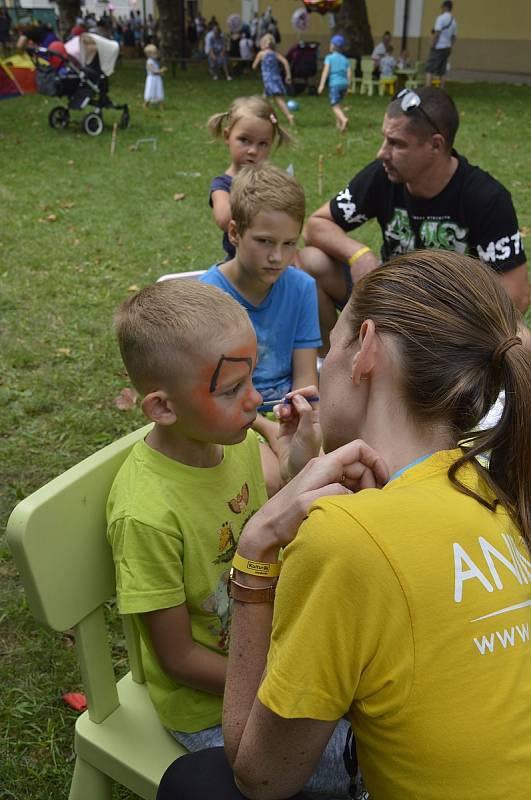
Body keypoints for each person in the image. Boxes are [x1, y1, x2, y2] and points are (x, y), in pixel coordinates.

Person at [157, 249, 531, 800]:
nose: (326, 365)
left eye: (333, 346)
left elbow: (260, 775)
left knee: (196, 784)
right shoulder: (497, 487)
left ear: (366, 351)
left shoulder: (344, 536)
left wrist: (256, 550)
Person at [107, 279, 351, 797]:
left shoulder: (230, 439)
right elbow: (177, 659)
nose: (256, 399)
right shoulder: (144, 516)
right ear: (163, 409)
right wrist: (277, 683)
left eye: (252, 380)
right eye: (230, 390)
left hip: (273, 647)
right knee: (360, 763)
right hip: (212, 708)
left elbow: (273, 510)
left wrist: (296, 463)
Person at [302, 87, 529, 353]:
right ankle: (332, 364)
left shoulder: (485, 197)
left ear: (436, 144)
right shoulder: (382, 177)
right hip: (388, 297)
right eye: (385, 140)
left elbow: (517, 294)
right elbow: (316, 225)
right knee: (310, 262)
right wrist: (359, 253)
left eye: (396, 144)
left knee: (521, 341)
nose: (381, 153)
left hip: (451, 318)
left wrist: (444, 320)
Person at [201, 163, 320, 409]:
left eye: (289, 243)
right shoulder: (209, 297)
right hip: (231, 419)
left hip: (288, 410)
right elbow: (210, 394)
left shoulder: (302, 288)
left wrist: (302, 420)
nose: (277, 256)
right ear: (234, 233)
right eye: (265, 241)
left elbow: (306, 376)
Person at [207, 96, 292, 261]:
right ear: (227, 137)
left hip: (275, 260)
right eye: (244, 140)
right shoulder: (223, 185)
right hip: (239, 266)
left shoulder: (273, 181)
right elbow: (224, 220)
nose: (253, 150)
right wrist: (254, 192)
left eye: (262, 144)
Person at [252, 33, 294, 127]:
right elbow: (285, 62)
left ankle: (288, 116)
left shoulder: (261, 54)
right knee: (264, 99)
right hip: (276, 78)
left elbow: (254, 66)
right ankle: (263, 117)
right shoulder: (275, 54)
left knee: (278, 99)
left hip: (268, 80)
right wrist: (288, 75)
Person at [317, 34, 351, 133]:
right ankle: (339, 124)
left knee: (334, 105)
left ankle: (344, 119)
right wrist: (348, 86)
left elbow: (325, 71)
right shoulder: (345, 59)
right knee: (339, 103)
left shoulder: (329, 58)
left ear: (333, 46)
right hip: (344, 84)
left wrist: (321, 85)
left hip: (335, 84)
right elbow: (349, 73)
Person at [425, 1, 457, 88]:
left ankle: (428, 89)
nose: (441, 9)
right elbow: (454, 37)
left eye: (442, 7)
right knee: (443, 70)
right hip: (447, 47)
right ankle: (442, 89)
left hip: (438, 47)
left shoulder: (441, 18)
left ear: (445, 7)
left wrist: (433, 44)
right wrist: (450, 46)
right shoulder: (453, 21)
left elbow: (437, 33)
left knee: (429, 68)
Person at [143, 43, 166, 110]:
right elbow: (153, 71)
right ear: (148, 54)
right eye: (154, 53)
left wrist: (160, 73)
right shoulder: (149, 62)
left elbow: (156, 71)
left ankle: (161, 105)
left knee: (159, 91)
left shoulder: (155, 61)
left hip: (157, 79)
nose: (156, 54)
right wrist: (161, 71)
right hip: (151, 79)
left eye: (156, 53)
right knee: (150, 91)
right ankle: (146, 103)